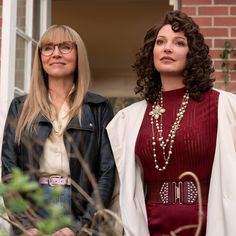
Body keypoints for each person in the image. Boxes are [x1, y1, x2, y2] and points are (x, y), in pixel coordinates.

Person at [106, 10, 236, 236]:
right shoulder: (130, 118)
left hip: (211, 225)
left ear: (192, 53)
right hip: (151, 227)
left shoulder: (223, 107)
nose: (167, 48)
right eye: (161, 42)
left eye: (179, 43)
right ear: (151, 52)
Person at [1, 25, 115, 235]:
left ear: (78, 54)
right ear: (41, 56)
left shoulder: (99, 108)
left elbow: (106, 173)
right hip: (34, 205)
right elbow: (9, 169)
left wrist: (80, 226)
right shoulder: (20, 107)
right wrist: (25, 224)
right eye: (48, 48)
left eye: (65, 47)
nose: (56, 54)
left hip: (80, 207)